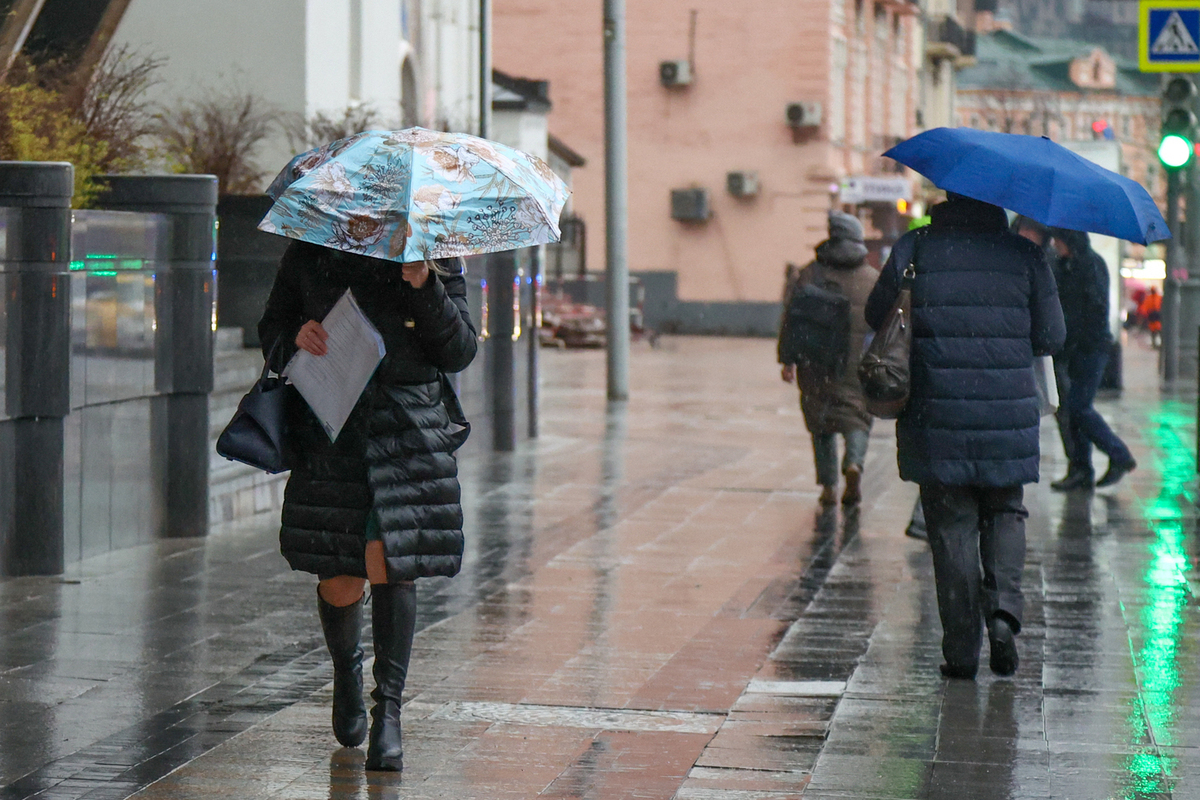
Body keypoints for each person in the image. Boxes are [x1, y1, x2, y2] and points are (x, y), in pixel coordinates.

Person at [258, 241, 477, 771]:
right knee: (339, 577)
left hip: (407, 432)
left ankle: (390, 715)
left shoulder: (437, 252)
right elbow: (273, 328)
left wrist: (425, 287)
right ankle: (346, 670)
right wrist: (294, 338)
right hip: (334, 427)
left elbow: (460, 351)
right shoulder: (312, 249)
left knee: (391, 562)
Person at [865, 194, 1065, 680]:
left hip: (937, 411)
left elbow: (878, 314)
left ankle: (960, 651)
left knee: (951, 527)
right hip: (1005, 414)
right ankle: (1002, 616)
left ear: (948, 196)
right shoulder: (1025, 254)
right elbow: (1052, 337)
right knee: (1004, 511)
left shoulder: (916, 247)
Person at [780, 211, 877, 506]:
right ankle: (854, 463)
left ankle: (828, 487)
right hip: (857, 362)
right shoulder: (872, 279)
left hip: (815, 361)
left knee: (820, 423)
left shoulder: (811, 273)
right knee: (857, 416)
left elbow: (791, 319)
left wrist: (788, 360)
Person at [1047, 228, 1137, 491]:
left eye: (1058, 240)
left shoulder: (1090, 265)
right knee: (1071, 411)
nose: (1055, 244)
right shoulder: (1066, 264)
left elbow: (1092, 309)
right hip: (1073, 349)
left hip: (1090, 348)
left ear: (1069, 240)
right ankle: (1080, 469)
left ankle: (1119, 455)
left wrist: (1076, 339)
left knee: (1078, 408)